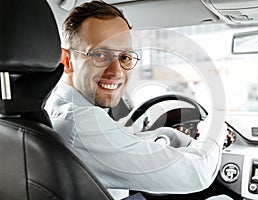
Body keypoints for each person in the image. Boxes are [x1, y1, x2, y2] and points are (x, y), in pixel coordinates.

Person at [45, 1, 227, 199]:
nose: (116, 72)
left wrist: (167, 136)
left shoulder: (55, 104)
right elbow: (196, 173)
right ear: (67, 60)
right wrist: (216, 129)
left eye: (124, 57)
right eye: (99, 55)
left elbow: (120, 145)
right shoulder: (82, 124)